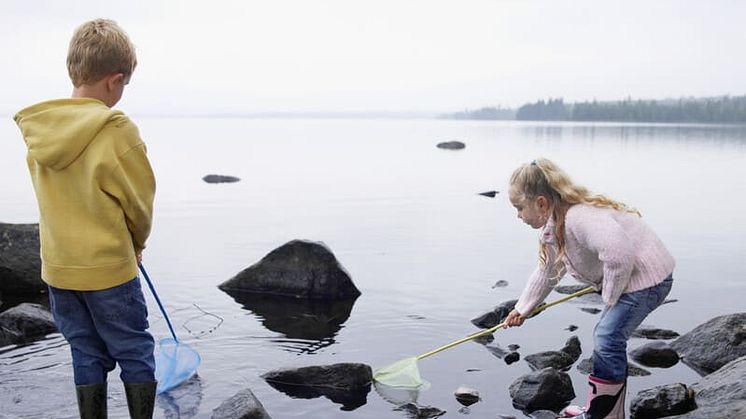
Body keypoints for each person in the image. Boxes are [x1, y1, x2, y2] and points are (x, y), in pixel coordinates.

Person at [14, 19, 157, 419]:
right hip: (109, 271)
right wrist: (138, 245)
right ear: (114, 80)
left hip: (59, 272)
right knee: (135, 352)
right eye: (124, 84)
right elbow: (139, 204)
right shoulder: (116, 130)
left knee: (85, 353)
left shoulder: (40, 131)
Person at [503, 158, 674, 419]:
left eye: (519, 208)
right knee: (606, 336)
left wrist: (610, 297)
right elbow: (548, 271)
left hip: (648, 280)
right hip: (630, 281)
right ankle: (602, 410)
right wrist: (522, 309)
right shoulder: (555, 227)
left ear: (540, 202)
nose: (518, 215)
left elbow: (618, 255)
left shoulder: (579, 218)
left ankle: (606, 415)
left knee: (607, 339)